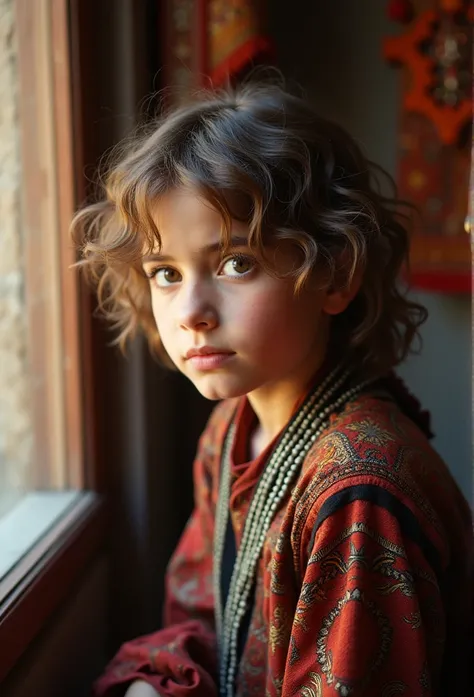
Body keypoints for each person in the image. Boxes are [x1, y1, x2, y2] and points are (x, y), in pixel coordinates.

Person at [71, 78, 474, 697]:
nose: (192, 311)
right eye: (166, 273)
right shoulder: (233, 426)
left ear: (335, 274)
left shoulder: (359, 496)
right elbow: (202, 618)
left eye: (237, 263)